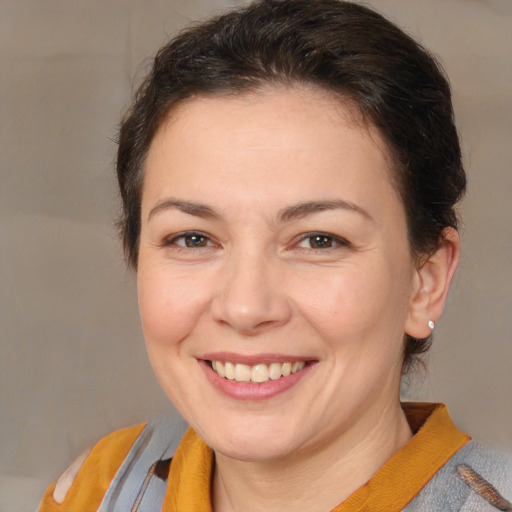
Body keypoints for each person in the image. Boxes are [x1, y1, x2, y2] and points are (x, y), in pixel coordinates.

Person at [38, 0, 511, 510]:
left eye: (319, 240)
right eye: (193, 238)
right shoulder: (102, 488)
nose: (245, 307)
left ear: (426, 280)